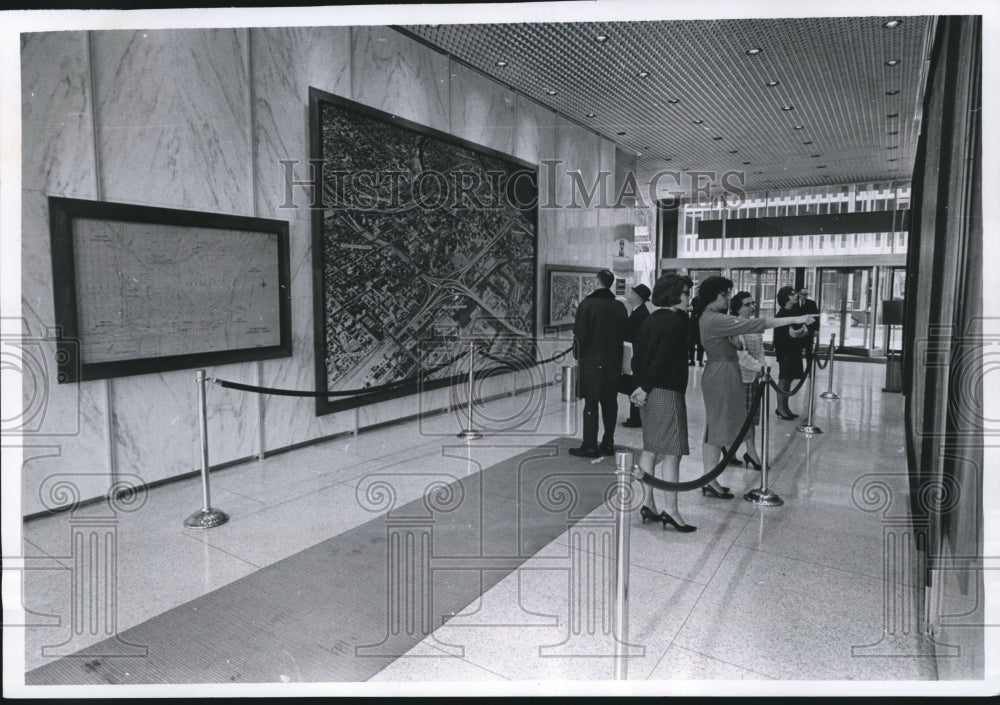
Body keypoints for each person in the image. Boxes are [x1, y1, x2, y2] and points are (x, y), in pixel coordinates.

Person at [697, 276, 816, 498]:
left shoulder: (715, 318)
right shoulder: (715, 319)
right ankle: (709, 480)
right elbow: (758, 323)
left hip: (725, 372)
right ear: (713, 296)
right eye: (724, 294)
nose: (727, 298)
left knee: (716, 429)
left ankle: (710, 478)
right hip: (721, 374)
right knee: (715, 430)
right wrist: (796, 318)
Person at [628, 273, 696, 532]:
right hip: (665, 391)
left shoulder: (650, 319)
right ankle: (672, 510)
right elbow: (663, 360)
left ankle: (648, 503)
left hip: (649, 390)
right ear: (674, 295)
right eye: (686, 293)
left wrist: (640, 386)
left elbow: (637, 358)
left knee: (651, 448)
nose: (689, 297)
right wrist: (644, 388)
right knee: (672, 453)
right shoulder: (675, 322)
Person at [569, 269, 628, 458]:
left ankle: (590, 444)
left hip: (592, 362)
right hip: (613, 362)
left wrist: (577, 353)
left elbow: (581, 334)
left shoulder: (587, 305)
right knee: (610, 402)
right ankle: (608, 443)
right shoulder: (619, 306)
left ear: (597, 282)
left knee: (591, 403)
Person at [729, 291, 764, 470]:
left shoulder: (754, 325)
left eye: (752, 303)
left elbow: (760, 350)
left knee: (750, 418)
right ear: (737, 308)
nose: (752, 307)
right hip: (738, 378)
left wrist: (763, 367)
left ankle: (748, 451)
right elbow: (740, 355)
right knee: (738, 417)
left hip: (753, 378)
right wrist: (760, 367)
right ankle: (736, 450)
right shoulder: (735, 325)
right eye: (747, 304)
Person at [772, 285, 810, 419]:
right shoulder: (782, 314)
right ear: (786, 297)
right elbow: (795, 333)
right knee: (784, 379)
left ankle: (785, 407)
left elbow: (801, 331)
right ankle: (780, 407)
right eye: (792, 294)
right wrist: (800, 332)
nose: (796, 296)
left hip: (793, 349)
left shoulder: (793, 312)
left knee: (789, 379)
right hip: (785, 350)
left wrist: (799, 332)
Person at [622, 283, 652, 428]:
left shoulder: (641, 314)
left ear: (639, 297)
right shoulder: (637, 311)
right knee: (632, 384)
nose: (630, 295)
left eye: (633, 293)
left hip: (636, 355)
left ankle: (636, 418)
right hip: (632, 353)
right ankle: (634, 416)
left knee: (635, 384)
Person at [794, 287, 820, 367]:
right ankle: (797, 369)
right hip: (797, 331)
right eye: (803, 294)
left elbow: (816, 318)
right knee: (796, 351)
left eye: (807, 294)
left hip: (809, 331)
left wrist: (816, 330)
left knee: (809, 350)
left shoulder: (812, 303)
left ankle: (809, 369)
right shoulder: (794, 304)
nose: (805, 296)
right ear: (799, 294)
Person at [687, 291, 705, 366]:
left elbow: (693, 309)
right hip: (696, 322)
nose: (697, 292)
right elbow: (691, 308)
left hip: (697, 322)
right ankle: (694, 360)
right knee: (693, 342)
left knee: (698, 342)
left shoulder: (702, 300)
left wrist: (693, 309)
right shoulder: (696, 299)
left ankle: (697, 360)